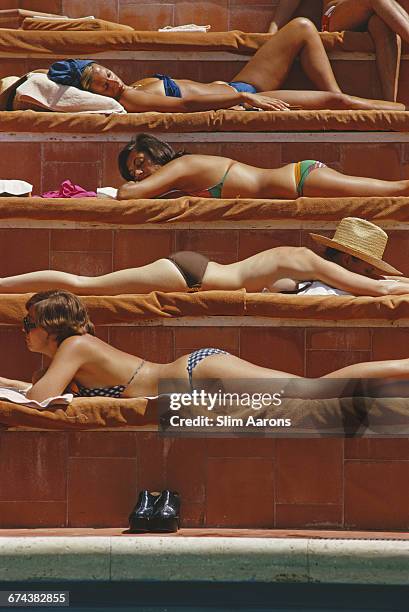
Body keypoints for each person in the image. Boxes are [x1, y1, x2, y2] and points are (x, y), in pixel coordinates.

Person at [1, 289, 409, 404]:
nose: (24, 331)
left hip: (199, 372)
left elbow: (38, 397)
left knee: (314, 391)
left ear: (50, 326)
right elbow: (36, 389)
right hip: (195, 375)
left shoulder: (74, 345)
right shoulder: (70, 353)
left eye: (28, 323)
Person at [45, 17, 407, 113]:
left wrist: (239, 92)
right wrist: (243, 101)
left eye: (103, 73)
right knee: (334, 103)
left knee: (301, 28)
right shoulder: (132, 100)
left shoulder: (133, 85)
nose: (109, 81)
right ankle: (398, 112)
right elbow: (185, 104)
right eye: (98, 85)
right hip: (241, 97)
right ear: (93, 94)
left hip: (237, 85)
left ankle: (344, 105)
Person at [0, 217, 408, 297]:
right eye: (365, 263)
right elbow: (373, 289)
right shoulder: (316, 263)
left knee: (84, 286)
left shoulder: (302, 262)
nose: (368, 271)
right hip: (190, 276)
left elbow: (276, 287)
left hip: (195, 270)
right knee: (83, 286)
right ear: (348, 259)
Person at [116, 133, 409, 200]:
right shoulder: (179, 181)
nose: (139, 174)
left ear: (155, 152)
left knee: (395, 191)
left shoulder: (181, 166)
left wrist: (127, 186)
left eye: (140, 163)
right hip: (299, 181)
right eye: (134, 173)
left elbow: (128, 195)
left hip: (300, 180)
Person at [269, 0, 409, 101]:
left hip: (373, 16)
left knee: (384, 27)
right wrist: (273, 30)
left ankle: (391, 103)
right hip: (335, 15)